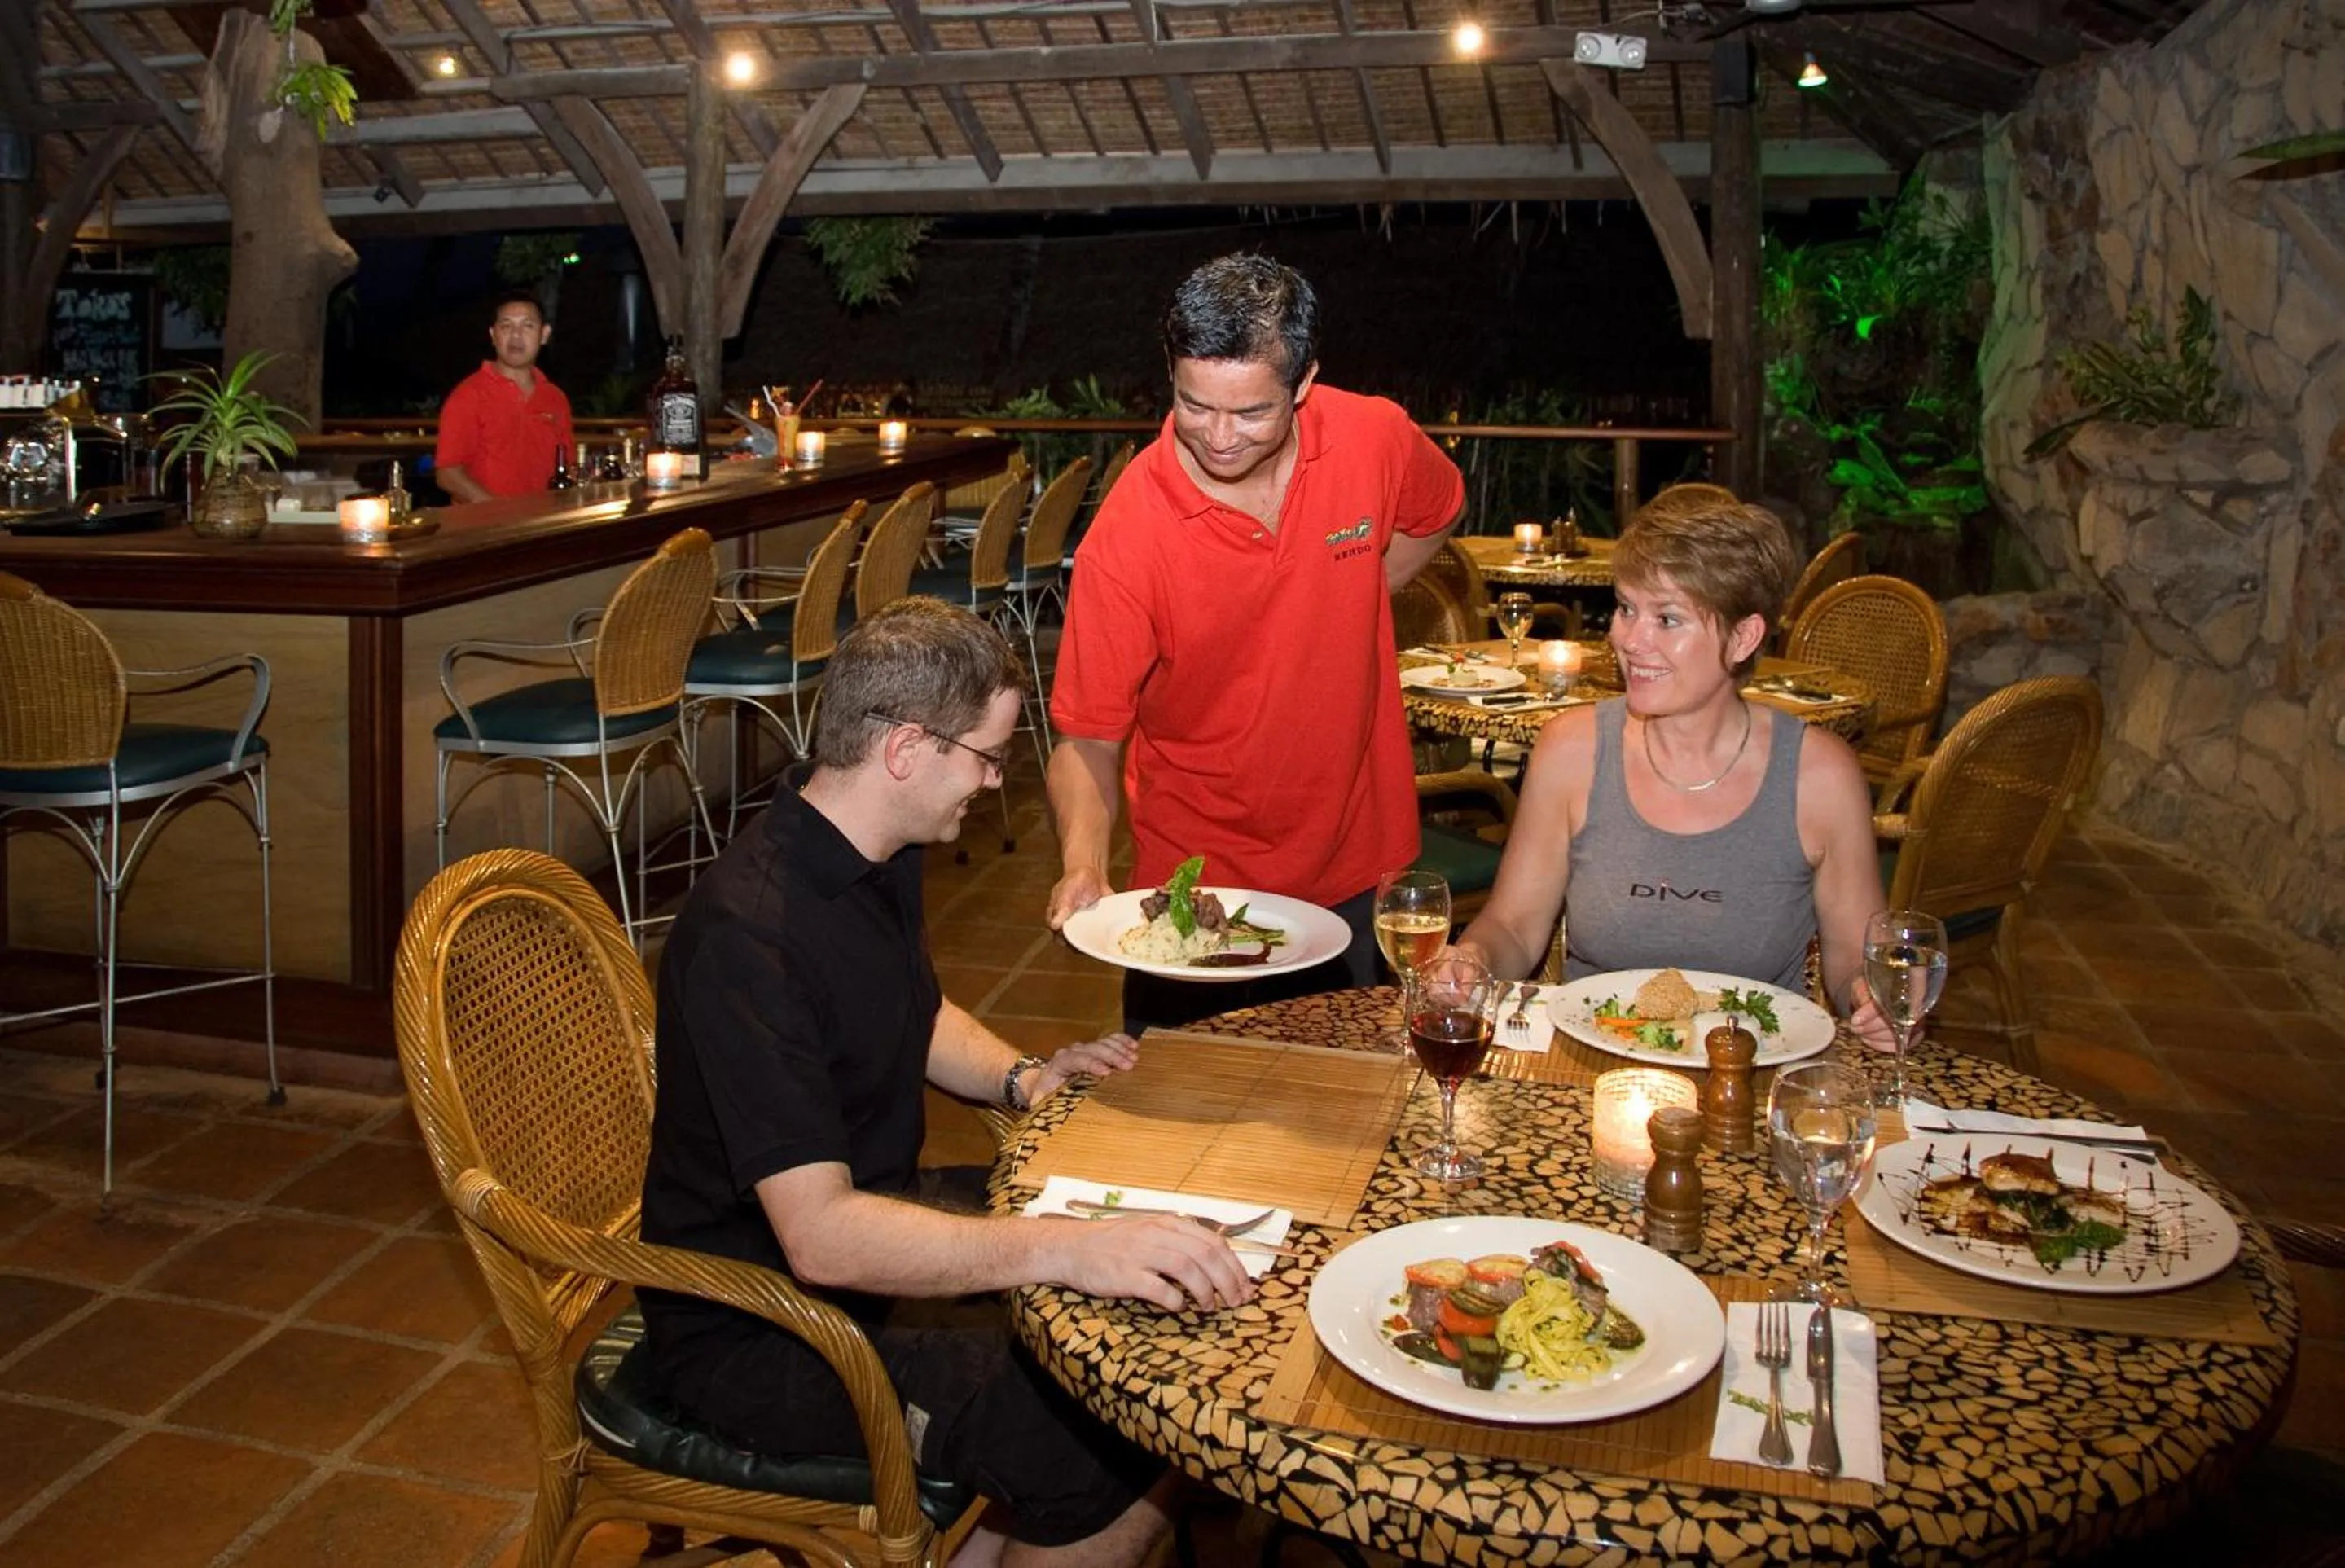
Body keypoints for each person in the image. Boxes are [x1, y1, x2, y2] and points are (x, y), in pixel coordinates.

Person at [641, 598, 1252, 1566]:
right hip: (756, 1322)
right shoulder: (747, 937)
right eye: (983, 754)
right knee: (1106, 1435)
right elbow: (824, 1235)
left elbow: (911, 1010)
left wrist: (1022, 1078)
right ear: (904, 750)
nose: (992, 779)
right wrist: (1060, 1248)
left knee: (1157, 1326)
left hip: (873, 1226)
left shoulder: (868, 844)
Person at [1045, 253, 1465, 1031]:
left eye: (1250, 413)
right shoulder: (1127, 536)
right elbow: (1088, 738)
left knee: (1351, 1116)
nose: (1218, 436)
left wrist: (1355, 593)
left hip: (1358, 854)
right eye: (1194, 405)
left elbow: (1438, 508)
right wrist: (1082, 861)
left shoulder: (1373, 436)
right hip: (1201, 890)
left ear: (1303, 382)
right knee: (1190, 1133)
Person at [1451, 499, 1894, 1046]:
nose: (1629, 640)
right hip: (1595, 1066)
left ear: (1743, 638)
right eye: (1625, 608)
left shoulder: (1818, 775)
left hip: (1750, 1079)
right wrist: (1473, 956)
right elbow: (1514, 926)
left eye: (1666, 618)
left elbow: (1852, 956)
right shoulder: (1571, 750)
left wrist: (1870, 997)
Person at [433, 290, 576, 503]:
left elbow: (569, 466)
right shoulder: (469, 395)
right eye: (506, 326)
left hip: (545, 525)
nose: (516, 335)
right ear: (493, 335)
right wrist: (499, 512)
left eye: (527, 326)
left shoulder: (555, 397)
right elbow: (447, 474)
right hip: (488, 530)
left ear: (544, 335)